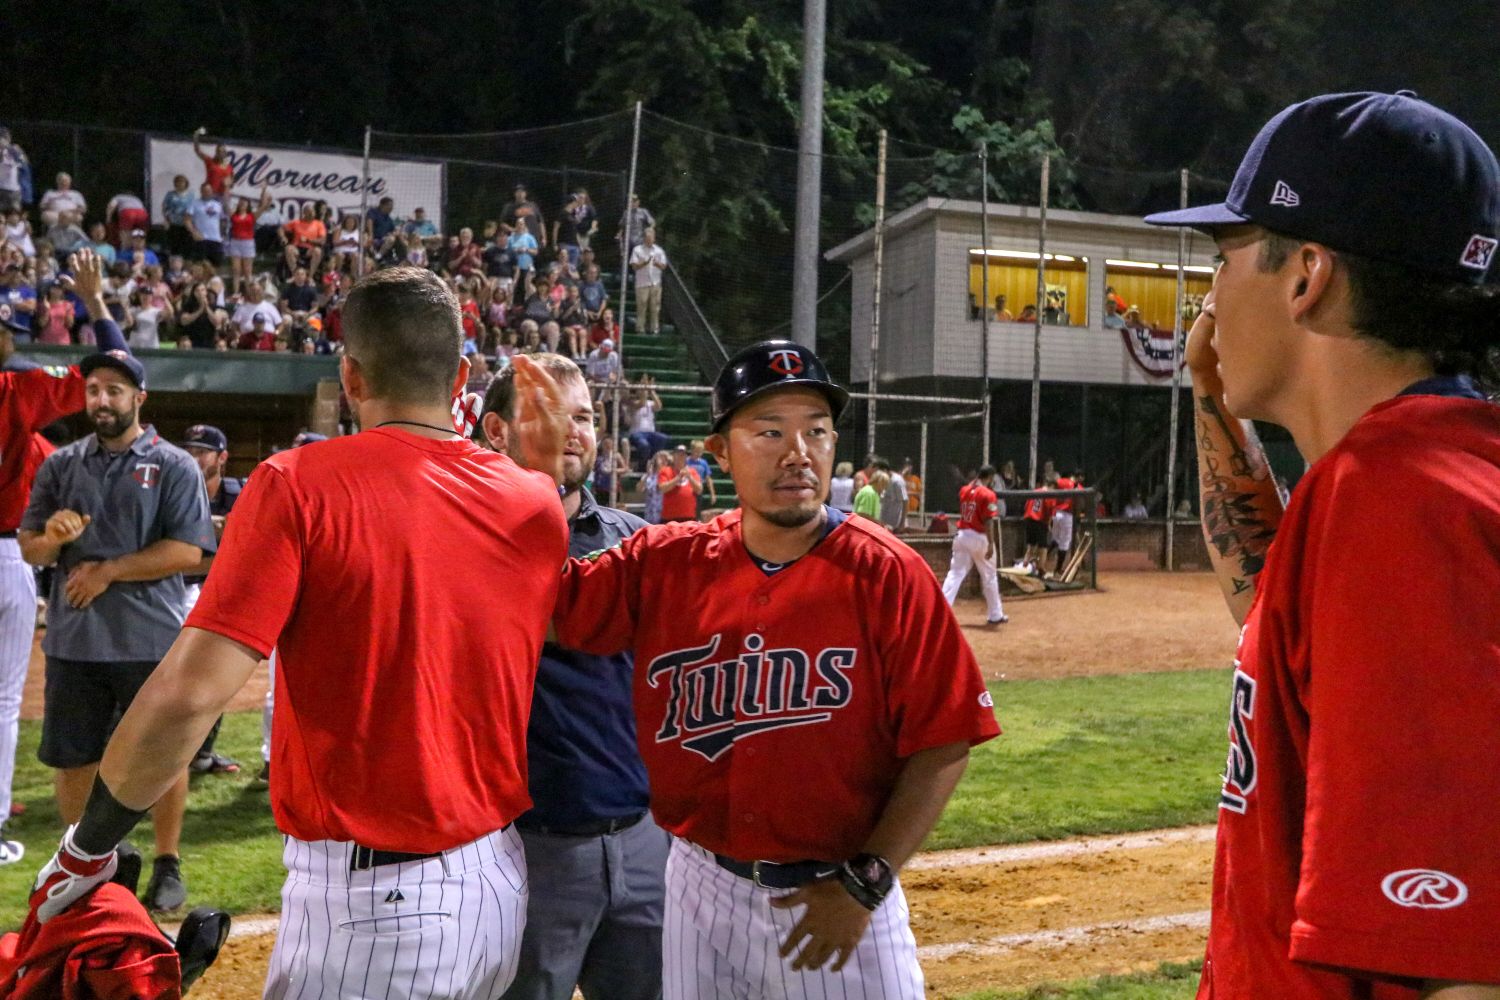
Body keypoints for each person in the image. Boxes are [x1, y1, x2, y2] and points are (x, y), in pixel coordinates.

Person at [27, 268, 570, 997]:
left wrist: (85, 848)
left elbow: (191, 696)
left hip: (376, 904)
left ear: (350, 376)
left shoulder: (297, 482)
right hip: (499, 886)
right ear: (462, 377)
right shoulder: (534, 499)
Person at [1144, 90, 1500, 998]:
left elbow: (1466, 965)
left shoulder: (1399, 503)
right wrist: (1210, 395)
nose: (1210, 296)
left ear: (1307, 275)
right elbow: (1272, 606)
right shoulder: (1415, 470)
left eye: (1224, 258)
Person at [525, 338, 999, 997]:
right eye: (769, 431)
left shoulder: (887, 573)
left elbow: (945, 741)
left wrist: (866, 882)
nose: (796, 453)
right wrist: (525, 476)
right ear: (720, 452)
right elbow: (540, 604)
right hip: (698, 888)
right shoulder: (664, 562)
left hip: (838, 891)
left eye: (816, 431)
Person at [476, 358, 670, 1000]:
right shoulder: (465, 544)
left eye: (585, 415)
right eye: (551, 415)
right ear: (498, 431)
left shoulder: (634, 542)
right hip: (524, 851)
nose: (574, 430)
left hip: (645, 844)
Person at [19, 344, 215, 913]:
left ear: (139, 398)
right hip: (74, 642)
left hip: (147, 638)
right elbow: (30, 546)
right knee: (73, 757)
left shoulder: (174, 464)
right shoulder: (60, 463)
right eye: (93, 390)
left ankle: (167, 863)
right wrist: (53, 537)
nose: (101, 400)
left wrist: (108, 571)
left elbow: (187, 550)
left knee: (159, 755)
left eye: (113, 390)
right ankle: (88, 866)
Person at [0, 250, 128, 868]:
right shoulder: (16, 390)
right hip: (6, 554)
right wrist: (96, 306)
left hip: (16, 549)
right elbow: (115, 367)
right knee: (4, 698)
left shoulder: (36, 433)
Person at [177, 424, 242, 777]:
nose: (193, 458)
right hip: (172, 588)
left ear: (222, 457)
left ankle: (201, 754)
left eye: (202, 451)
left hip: (215, 594)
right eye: (188, 450)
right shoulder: (172, 489)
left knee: (212, 678)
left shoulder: (238, 493)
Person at [941, 465, 1006, 625]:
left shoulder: (964, 490)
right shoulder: (988, 494)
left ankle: (941, 611)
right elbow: (989, 520)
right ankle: (995, 614)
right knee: (989, 576)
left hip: (962, 535)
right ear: (990, 477)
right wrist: (991, 543)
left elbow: (971, 491)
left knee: (955, 573)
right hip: (979, 537)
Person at [630, 227, 668, 335]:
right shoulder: (637, 250)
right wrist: (644, 263)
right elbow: (634, 266)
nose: (649, 240)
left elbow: (664, 265)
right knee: (641, 305)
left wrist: (656, 264)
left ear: (654, 238)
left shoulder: (659, 250)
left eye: (651, 238)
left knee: (655, 307)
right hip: (642, 283)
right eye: (647, 238)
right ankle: (640, 328)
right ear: (644, 238)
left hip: (655, 282)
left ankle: (654, 329)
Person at [657, 445, 702, 523]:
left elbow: (699, 490)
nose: (681, 457)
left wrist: (689, 477)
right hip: (669, 518)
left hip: (689, 517)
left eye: (683, 455)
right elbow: (663, 488)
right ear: (673, 456)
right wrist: (678, 478)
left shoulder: (692, 471)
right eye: (678, 454)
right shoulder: (665, 471)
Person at [184, 183, 225, 268]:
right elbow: (187, 220)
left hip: (216, 239)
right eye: (205, 191)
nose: (207, 192)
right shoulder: (194, 203)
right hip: (202, 239)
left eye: (209, 191)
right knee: (200, 265)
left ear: (212, 191)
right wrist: (193, 232)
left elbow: (222, 221)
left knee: (215, 265)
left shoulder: (218, 205)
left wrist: (222, 234)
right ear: (201, 192)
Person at [873, 458, 907, 531]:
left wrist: (902, 523)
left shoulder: (897, 482)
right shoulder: (881, 480)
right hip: (884, 521)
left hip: (895, 523)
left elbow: (905, 501)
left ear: (884, 470)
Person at [617, 193, 654, 260]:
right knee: (625, 255)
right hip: (628, 240)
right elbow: (622, 226)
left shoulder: (643, 212)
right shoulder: (626, 213)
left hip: (640, 240)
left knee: (639, 257)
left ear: (638, 202)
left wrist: (649, 230)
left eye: (635, 201)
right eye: (631, 202)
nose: (633, 203)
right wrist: (620, 233)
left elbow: (652, 222)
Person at [687, 439, 716, 516]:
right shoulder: (686, 461)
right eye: (696, 451)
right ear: (691, 450)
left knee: (697, 511)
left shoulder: (703, 463)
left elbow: (708, 478)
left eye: (700, 451)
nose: (698, 454)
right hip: (688, 488)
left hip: (699, 489)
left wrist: (712, 494)